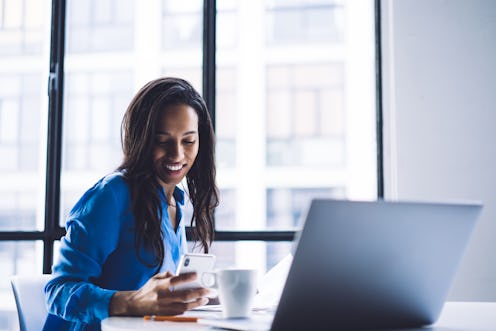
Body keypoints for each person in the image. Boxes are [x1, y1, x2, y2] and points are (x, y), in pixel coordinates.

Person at [44, 77, 219, 331]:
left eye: (188, 141)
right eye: (162, 140)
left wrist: (202, 296)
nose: (177, 155)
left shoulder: (175, 204)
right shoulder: (111, 196)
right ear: (142, 139)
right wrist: (132, 302)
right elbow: (57, 290)